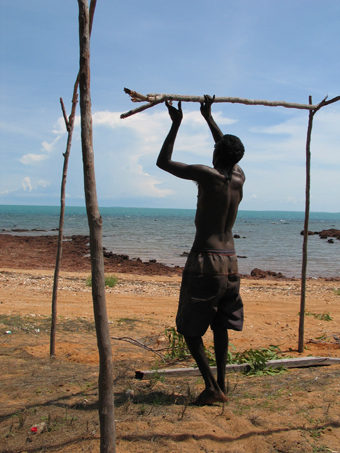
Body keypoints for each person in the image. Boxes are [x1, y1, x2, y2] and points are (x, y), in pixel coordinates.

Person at [157, 95, 245, 405]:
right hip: (231, 263)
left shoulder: (207, 175)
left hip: (204, 263)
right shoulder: (238, 178)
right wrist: (208, 118)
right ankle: (221, 383)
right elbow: (228, 152)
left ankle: (211, 388)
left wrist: (176, 124)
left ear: (216, 153)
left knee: (190, 330)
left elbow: (163, 162)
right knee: (221, 325)